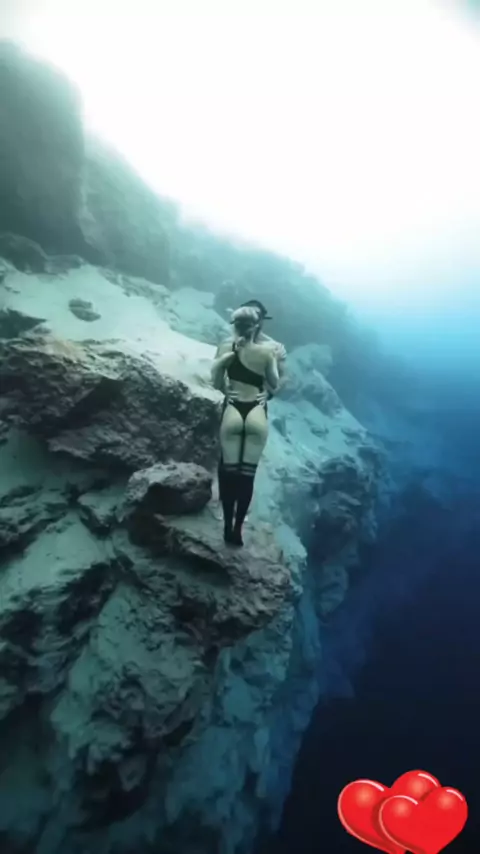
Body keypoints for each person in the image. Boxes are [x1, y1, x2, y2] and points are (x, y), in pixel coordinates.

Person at [211, 305, 280, 546]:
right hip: (256, 412)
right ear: (256, 326)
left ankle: (226, 527)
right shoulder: (268, 351)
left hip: (233, 409)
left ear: (234, 325)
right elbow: (275, 382)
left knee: (228, 474)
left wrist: (225, 387)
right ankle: (238, 530)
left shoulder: (224, 347)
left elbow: (215, 381)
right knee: (247, 477)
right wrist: (266, 392)